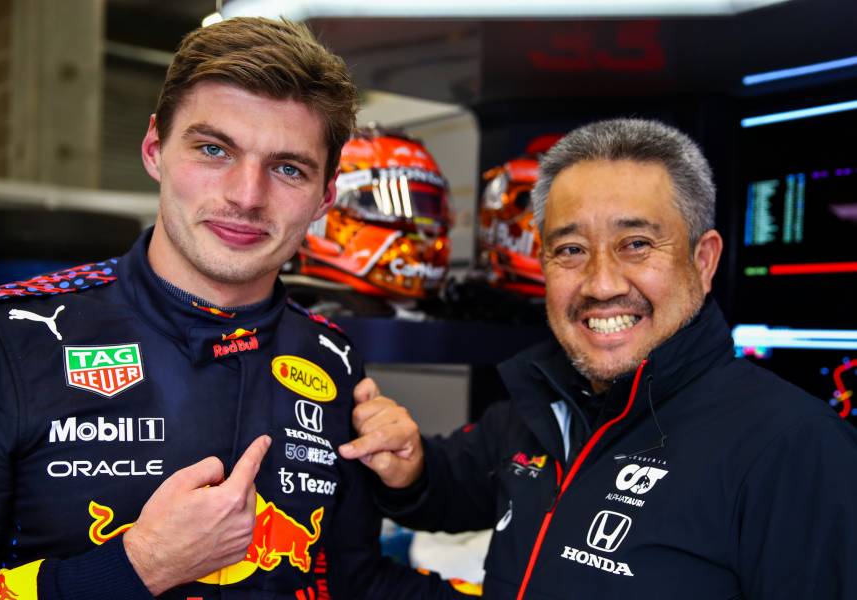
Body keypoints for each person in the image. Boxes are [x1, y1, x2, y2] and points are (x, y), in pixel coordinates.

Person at [0, 17, 467, 600]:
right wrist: (140, 566)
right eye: (213, 149)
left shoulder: (330, 356)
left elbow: (347, 580)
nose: (246, 197)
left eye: (288, 168)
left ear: (325, 195)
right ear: (155, 149)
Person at [340, 118, 857, 599]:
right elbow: (451, 483)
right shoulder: (542, 406)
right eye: (571, 250)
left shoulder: (796, 449)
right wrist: (408, 465)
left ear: (703, 261)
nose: (601, 284)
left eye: (636, 243)